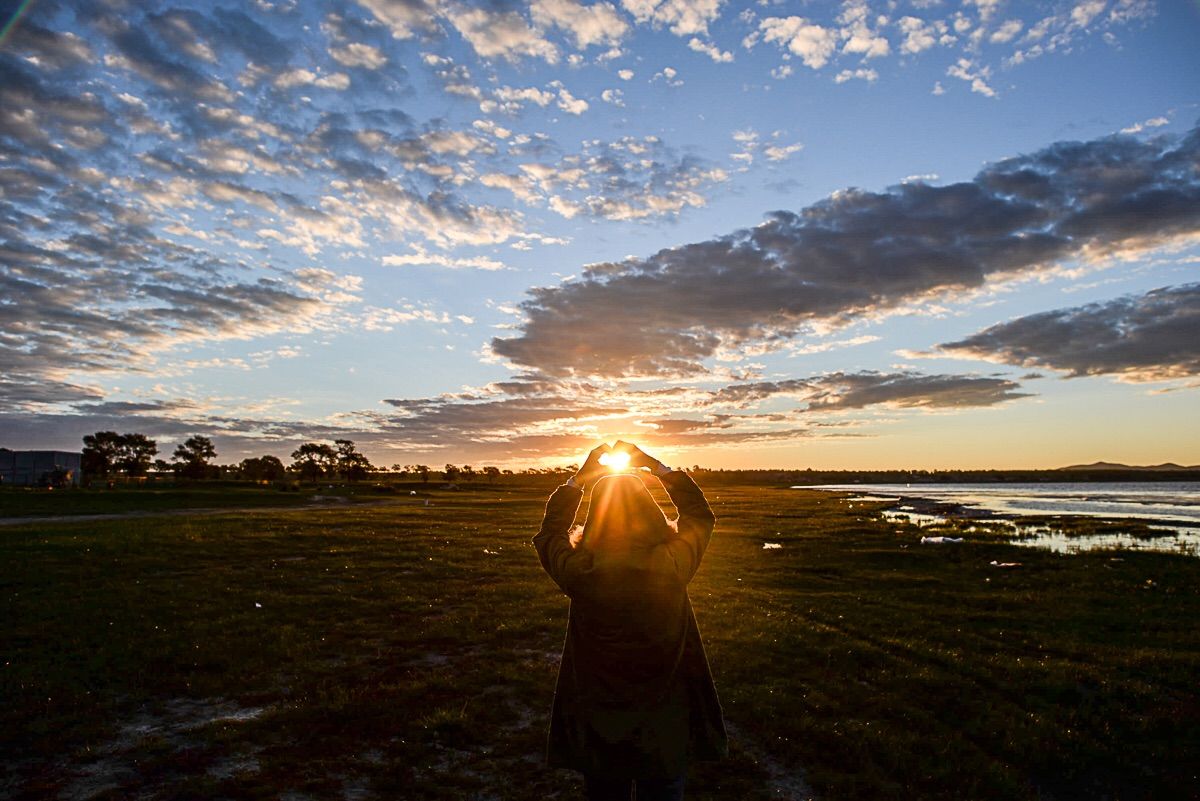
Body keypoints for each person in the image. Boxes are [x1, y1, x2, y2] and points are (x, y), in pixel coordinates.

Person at [533, 441, 727, 801]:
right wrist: (658, 468)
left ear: (596, 519)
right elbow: (700, 516)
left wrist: (578, 481)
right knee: (664, 787)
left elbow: (549, 535)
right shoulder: (671, 564)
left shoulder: (581, 572)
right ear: (651, 513)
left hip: (600, 722)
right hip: (666, 719)